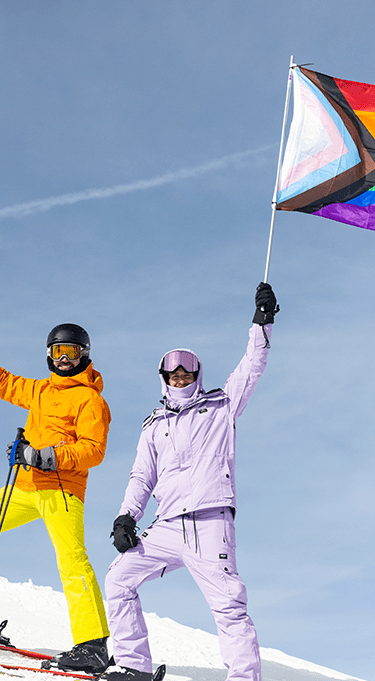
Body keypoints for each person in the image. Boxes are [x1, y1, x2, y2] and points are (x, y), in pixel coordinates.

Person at [103, 282, 279, 681]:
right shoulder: (153, 425)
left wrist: (262, 323)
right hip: (166, 525)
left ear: (197, 376)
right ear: (163, 377)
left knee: (228, 606)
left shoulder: (221, 405)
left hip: (209, 522)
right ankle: (133, 666)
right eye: (173, 373)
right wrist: (126, 517)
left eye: (187, 373)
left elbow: (252, 365)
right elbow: (141, 476)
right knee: (118, 578)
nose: (180, 378)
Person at [0, 316, 111, 675]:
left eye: (71, 352)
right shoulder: (40, 390)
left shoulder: (90, 400)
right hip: (24, 487)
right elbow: (3, 382)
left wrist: (46, 455)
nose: (64, 359)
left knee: (72, 561)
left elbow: (94, 450)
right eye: (57, 351)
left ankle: (93, 646)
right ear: (49, 355)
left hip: (60, 491)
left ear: (84, 356)